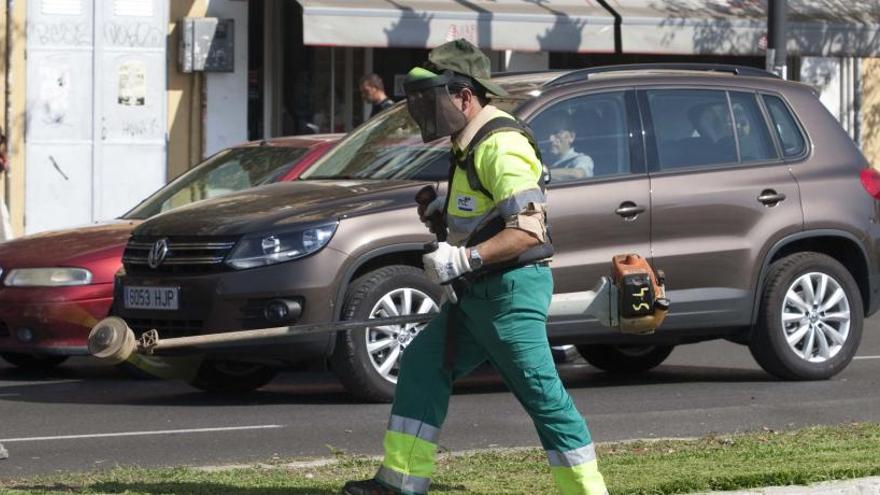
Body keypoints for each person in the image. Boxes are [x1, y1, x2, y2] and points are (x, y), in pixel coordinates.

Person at [343, 39, 607, 495]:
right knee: (424, 366)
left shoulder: (500, 145)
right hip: (477, 295)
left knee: (543, 397)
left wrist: (463, 258)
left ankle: (588, 490)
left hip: (508, 294)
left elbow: (528, 230)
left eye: (432, 99)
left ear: (464, 96)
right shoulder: (469, 143)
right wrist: (443, 212)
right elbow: (484, 213)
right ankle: (401, 482)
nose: (423, 109)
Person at [546, 113, 594, 180]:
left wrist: (542, 174)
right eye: (547, 133)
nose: (550, 139)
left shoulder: (581, 159)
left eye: (557, 133)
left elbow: (578, 174)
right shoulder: (543, 159)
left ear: (571, 137)